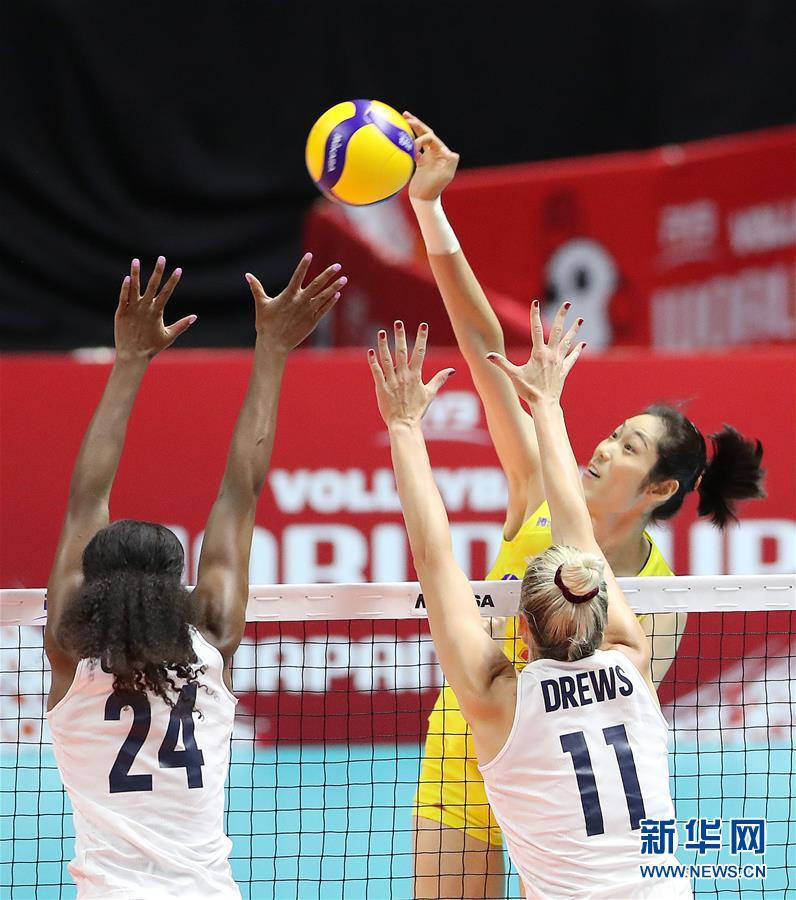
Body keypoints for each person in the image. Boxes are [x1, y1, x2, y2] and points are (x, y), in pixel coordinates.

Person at [402, 111, 766, 898]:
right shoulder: (541, 486)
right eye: (612, 432)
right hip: (469, 745)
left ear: (659, 490)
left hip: (563, 797)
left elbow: (608, 734)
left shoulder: (660, 600)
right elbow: (480, 344)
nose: (603, 448)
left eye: (629, 448)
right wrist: (430, 209)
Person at [44, 253, 346, 899]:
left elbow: (84, 502)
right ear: (175, 584)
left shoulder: (69, 652)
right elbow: (241, 492)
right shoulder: (212, 639)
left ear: (91, 586)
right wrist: (272, 351)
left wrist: (128, 361)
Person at [367, 311, 694, 898]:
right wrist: (546, 405)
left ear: (519, 628)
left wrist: (404, 425)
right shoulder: (630, 661)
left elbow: (434, 557)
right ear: (599, 609)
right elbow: (579, 536)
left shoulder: (500, 701)